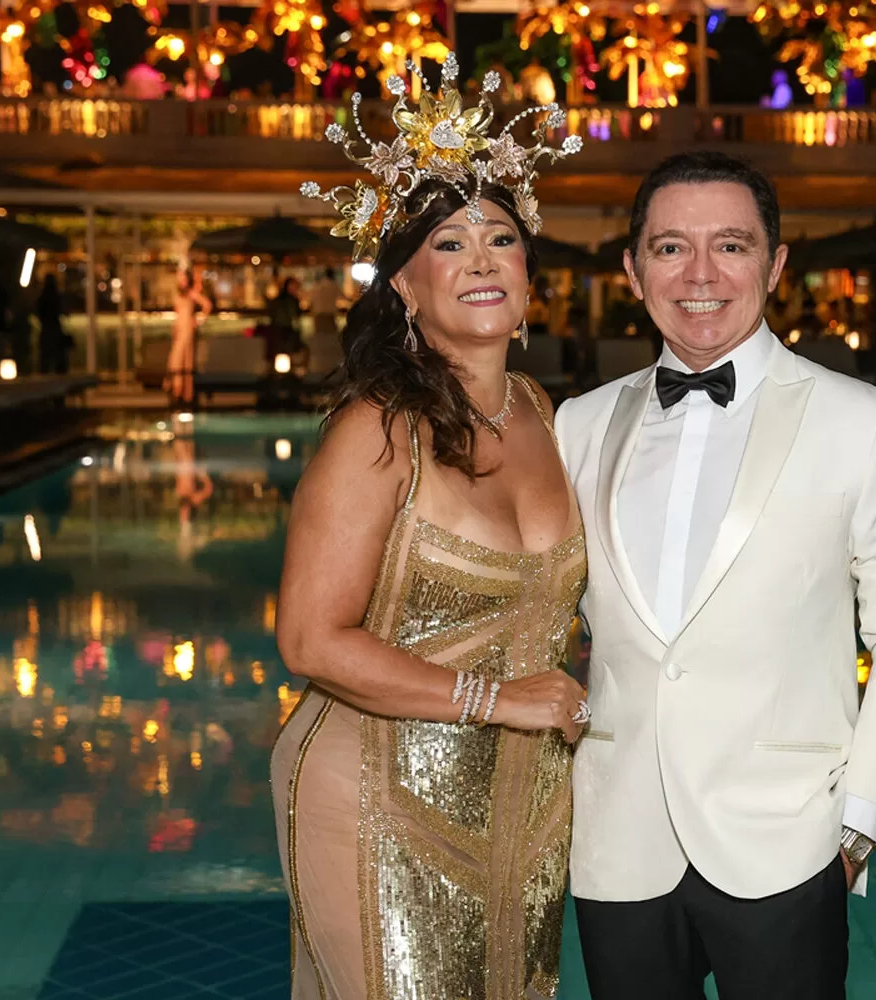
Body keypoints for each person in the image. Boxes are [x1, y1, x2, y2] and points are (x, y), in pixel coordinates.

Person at [554, 151, 876, 1000]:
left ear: (775, 265)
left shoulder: (861, 422)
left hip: (791, 842)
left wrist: (858, 826)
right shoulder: (576, 425)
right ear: (633, 270)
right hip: (619, 840)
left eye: (730, 245)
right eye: (670, 248)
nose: (700, 274)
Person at [273, 55, 586, 1000]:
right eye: (450, 243)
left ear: (527, 273)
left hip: (525, 804)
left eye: (501, 238)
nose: (482, 259)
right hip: (375, 796)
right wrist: (498, 700)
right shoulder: (377, 430)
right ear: (405, 286)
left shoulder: (546, 412)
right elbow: (309, 640)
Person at [167, 269, 210, 407]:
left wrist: (199, 320)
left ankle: (185, 393)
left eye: (183, 278)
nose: (181, 281)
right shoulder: (178, 294)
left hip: (187, 330)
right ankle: (178, 391)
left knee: (185, 360)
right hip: (179, 330)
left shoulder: (192, 293)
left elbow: (207, 305)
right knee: (177, 359)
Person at [37, 274, 70, 375]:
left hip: (46, 329)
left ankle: (44, 378)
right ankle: (59, 378)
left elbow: (38, 313)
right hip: (55, 328)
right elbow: (65, 312)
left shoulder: (42, 297)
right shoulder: (57, 297)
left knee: (45, 359)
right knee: (59, 359)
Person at [310, 267, 341, 340]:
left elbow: (310, 297)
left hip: (318, 314)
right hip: (330, 314)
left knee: (320, 338)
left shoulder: (318, 285)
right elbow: (343, 296)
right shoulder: (334, 285)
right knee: (331, 338)